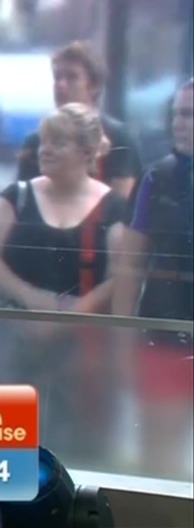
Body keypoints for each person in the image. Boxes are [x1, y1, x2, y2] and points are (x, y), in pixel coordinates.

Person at [0, 103, 129, 464]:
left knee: (77, 449)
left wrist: (73, 314)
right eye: (44, 141)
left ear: (86, 152)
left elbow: (122, 275)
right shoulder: (15, 197)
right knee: (4, 438)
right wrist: (34, 300)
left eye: (58, 143)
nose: (44, 150)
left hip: (83, 351)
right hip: (12, 344)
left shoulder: (114, 208)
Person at [112, 78, 194, 479]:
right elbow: (129, 266)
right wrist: (119, 338)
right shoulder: (155, 178)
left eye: (189, 114)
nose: (179, 122)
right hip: (163, 326)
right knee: (160, 454)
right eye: (176, 113)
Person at [15, 41, 142, 200]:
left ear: (94, 86)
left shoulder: (119, 140)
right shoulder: (36, 142)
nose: (60, 85)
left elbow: (121, 205)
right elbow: (21, 201)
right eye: (57, 77)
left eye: (71, 77)